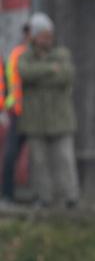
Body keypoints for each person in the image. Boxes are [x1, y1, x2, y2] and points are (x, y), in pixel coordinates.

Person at [17, 12, 79, 208]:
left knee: (64, 159)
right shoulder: (25, 56)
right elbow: (25, 73)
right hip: (35, 120)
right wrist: (50, 69)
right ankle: (44, 198)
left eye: (49, 35)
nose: (46, 39)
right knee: (39, 161)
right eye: (42, 35)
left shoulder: (62, 54)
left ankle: (70, 197)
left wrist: (40, 76)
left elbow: (66, 76)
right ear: (35, 37)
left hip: (60, 118)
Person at [2, 23, 29, 204]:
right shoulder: (19, 54)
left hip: (31, 112)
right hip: (18, 112)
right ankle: (7, 194)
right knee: (11, 153)